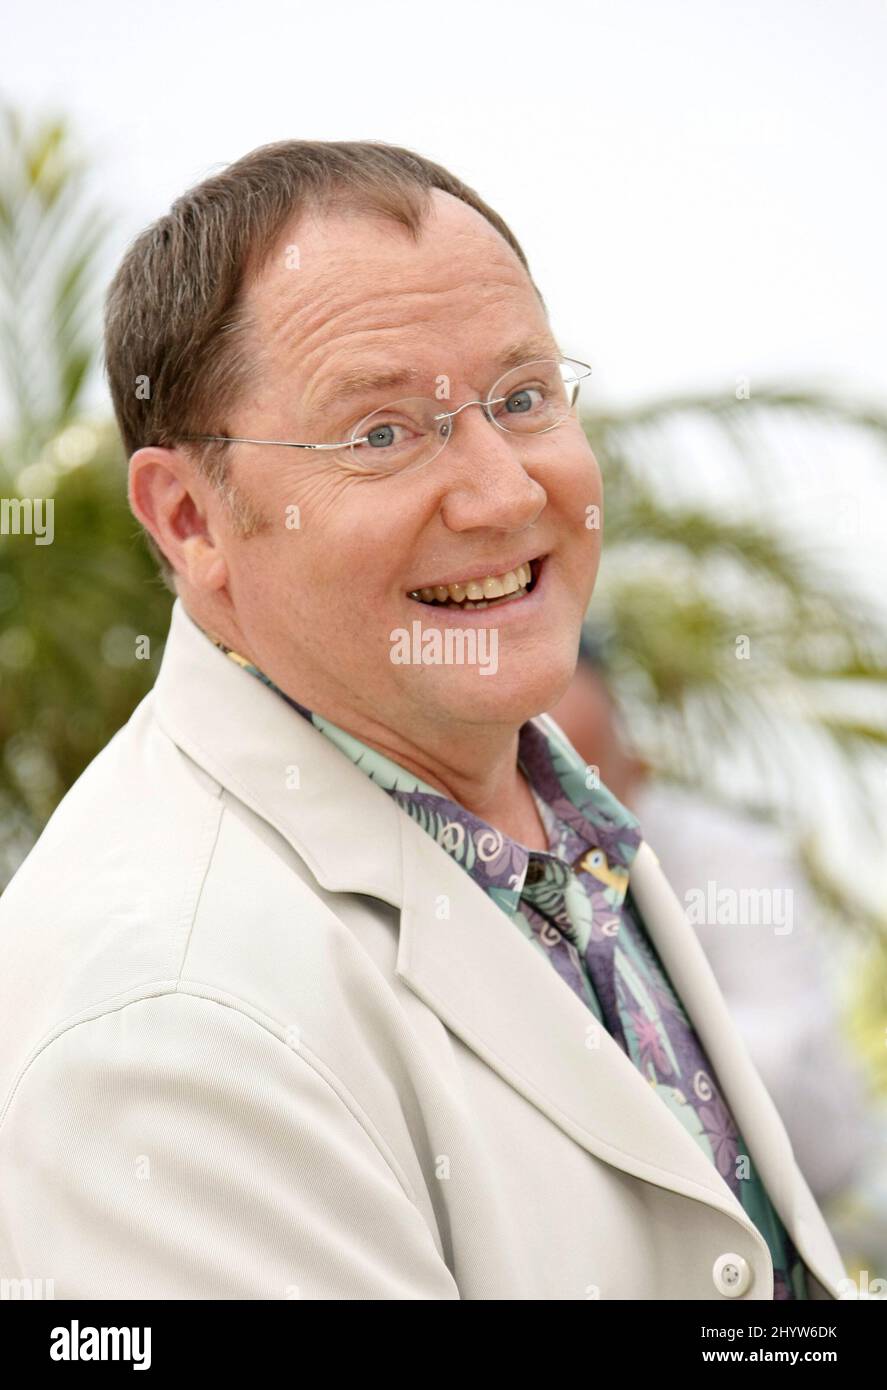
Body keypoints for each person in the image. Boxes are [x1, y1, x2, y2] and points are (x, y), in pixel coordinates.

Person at [0, 140, 847, 1300]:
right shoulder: (165, 1014)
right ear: (192, 520)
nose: (504, 492)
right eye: (382, 433)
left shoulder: (551, 822)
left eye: (522, 398)